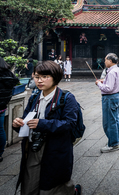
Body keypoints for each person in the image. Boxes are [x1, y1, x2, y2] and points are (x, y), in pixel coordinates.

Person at [12, 61, 82, 194]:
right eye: (37, 77)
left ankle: (74, 192)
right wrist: (18, 123)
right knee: (28, 185)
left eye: (45, 77)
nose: (40, 80)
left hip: (55, 148)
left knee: (54, 185)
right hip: (33, 147)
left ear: (55, 77)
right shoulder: (34, 97)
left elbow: (70, 123)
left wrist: (42, 124)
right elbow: (26, 118)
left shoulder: (66, 98)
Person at [95, 53, 119, 153]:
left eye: (105, 59)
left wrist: (99, 83)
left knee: (109, 122)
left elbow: (108, 88)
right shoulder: (118, 70)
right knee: (115, 120)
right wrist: (104, 81)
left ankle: (113, 144)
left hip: (110, 98)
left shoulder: (111, 72)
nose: (104, 61)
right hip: (116, 96)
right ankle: (116, 141)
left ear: (110, 61)